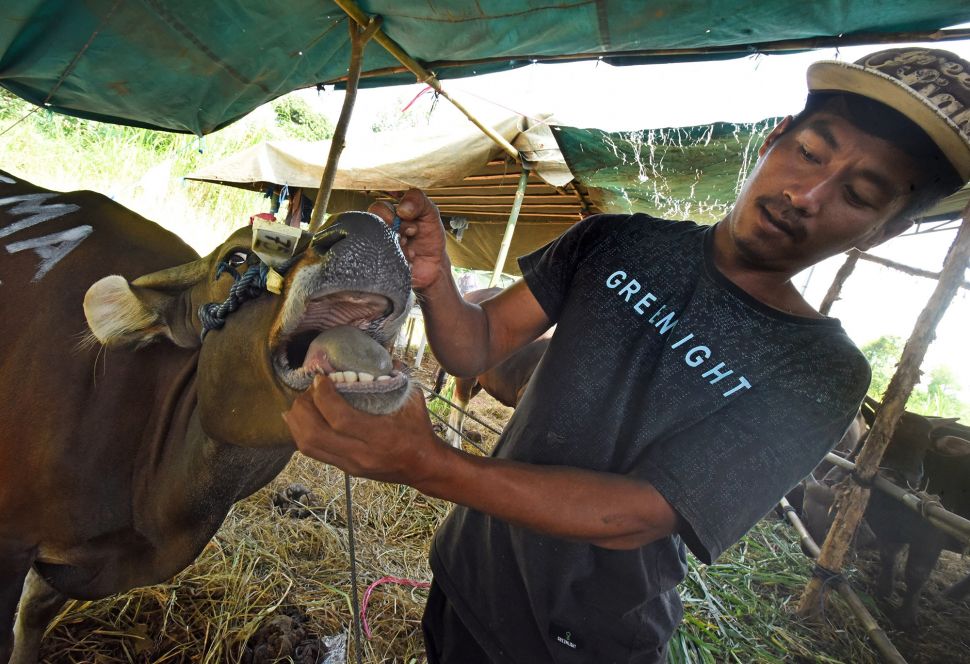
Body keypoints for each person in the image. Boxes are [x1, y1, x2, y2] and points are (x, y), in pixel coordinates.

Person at [284, 48, 970, 663]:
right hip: (468, 574)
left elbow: (638, 513)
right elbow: (478, 347)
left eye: (858, 194)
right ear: (774, 139)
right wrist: (434, 284)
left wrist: (426, 463)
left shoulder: (820, 370)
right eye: (812, 153)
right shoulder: (615, 241)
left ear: (887, 228)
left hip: (581, 641)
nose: (807, 195)